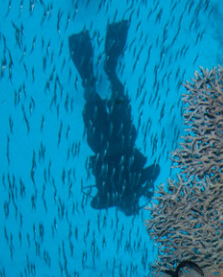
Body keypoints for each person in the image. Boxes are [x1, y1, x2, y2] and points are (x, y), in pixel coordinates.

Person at [69, 20, 160, 215]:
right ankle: (94, 56)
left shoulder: (119, 191)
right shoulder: (114, 193)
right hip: (106, 138)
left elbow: (96, 203)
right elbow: (156, 169)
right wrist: (138, 189)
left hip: (117, 136)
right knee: (96, 96)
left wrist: (140, 189)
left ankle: (107, 64)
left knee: (111, 96)